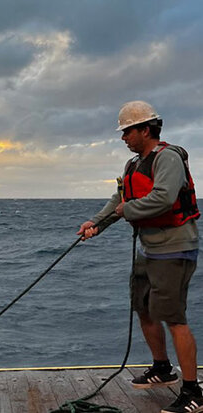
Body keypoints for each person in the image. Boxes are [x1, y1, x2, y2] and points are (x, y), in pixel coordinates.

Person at [77, 101, 202, 413]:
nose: (123, 138)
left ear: (146, 129)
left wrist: (126, 210)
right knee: (144, 307)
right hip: (149, 248)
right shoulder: (133, 165)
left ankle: (193, 392)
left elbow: (164, 197)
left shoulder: (168, 157)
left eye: (127, 131)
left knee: (174, 317)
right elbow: (120, 198)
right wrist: (96, 224)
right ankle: (162, 368)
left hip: (174, 248)